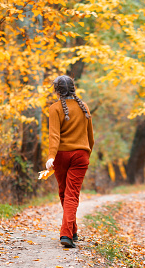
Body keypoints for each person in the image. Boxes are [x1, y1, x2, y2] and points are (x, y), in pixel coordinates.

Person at [46, 75, 94, 248]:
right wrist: (86, 154)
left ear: (57, 90)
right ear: (73, 88)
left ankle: (66, 234)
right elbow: (90, 137)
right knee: (70, 194)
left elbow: (54, 135)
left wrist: (51, 156)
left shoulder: (54, 108)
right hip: (81, 155)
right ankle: (71, 229)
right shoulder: (84, 107)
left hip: (60, 155)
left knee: (65, 193)